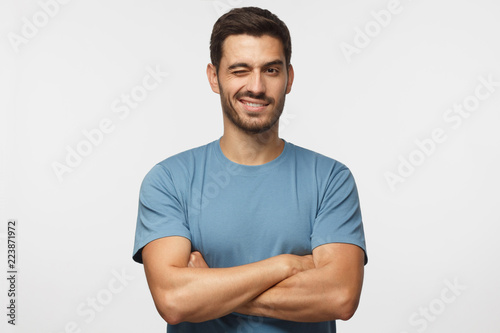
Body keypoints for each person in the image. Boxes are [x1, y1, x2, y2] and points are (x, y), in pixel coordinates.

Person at [133, 6, 367, 333]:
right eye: (240, 70)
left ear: (289, 78)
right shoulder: (169, 180)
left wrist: (208, 287)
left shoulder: (330, 179)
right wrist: (285, 265)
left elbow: (340, 296)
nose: (256, 87)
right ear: (214, 77)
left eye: (271, 70)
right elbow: (174, 301)